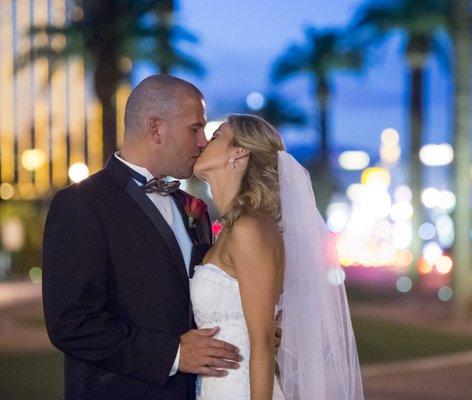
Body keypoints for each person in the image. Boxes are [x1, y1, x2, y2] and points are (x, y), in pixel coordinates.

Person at [42, 75, 243, 400]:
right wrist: (174, 354)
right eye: (195, 128)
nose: (203, 142)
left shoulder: (195, 208)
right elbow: (71, 323)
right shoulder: (82, 204)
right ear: (155, 128)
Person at [191, 114, 364, 399]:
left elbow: (261, 346)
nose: (204, 143)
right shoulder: (233, 228)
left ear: (239, 151)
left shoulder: (249, 228)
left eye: (216, 135)